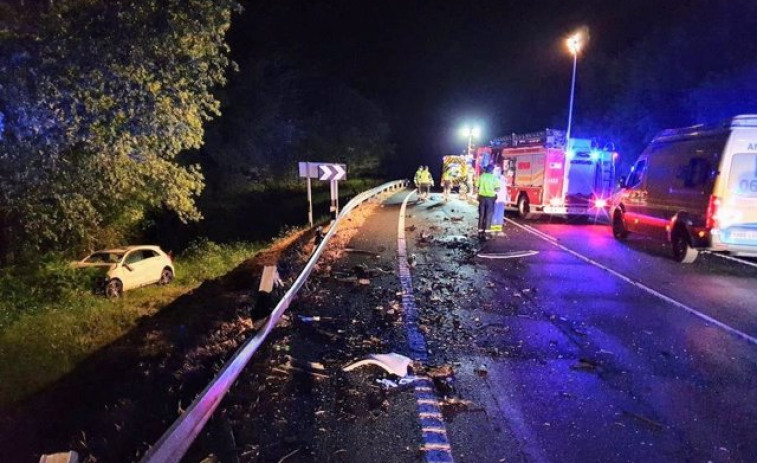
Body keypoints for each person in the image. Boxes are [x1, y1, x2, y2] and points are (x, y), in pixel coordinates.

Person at [476, 164, 499, 241]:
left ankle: (480, 233)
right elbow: (497, 189)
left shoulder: (481, 176)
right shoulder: (494, 178)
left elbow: (476, 187)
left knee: (481, 215)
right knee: (488, 215)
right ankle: (487, 234)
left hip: (482, 198)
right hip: (490, 199)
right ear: (491, 170)